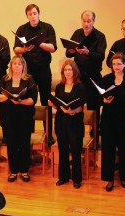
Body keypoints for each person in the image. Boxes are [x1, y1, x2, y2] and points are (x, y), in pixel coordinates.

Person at [13, 4, 57, 146]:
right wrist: (25, 49)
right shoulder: (22, 29)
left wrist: (40, 43)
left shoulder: (47, 28)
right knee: (27, 101)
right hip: (28, 71)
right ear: (27, 15)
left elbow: (53, 48)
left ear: (38, 14)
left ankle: (49, 134)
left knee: (46, 102)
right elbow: (16, 50)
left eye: (34, 13)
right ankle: (28, 133)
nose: (32, 16)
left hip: (43, 69)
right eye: (30, 14)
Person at [66, 10, 107, 139]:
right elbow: (68, 54)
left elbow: (101, 56)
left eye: (89, 21)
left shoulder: (99, 36)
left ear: (93, 21)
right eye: (84, 21)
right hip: (78, 76)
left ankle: (94, 135)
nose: (86, 24)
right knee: (76, 104)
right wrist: (71, 50)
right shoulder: (77, 33)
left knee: (93, 106)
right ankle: (77, 133)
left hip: (93, 75)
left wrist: (88, 53)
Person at [0, 56, 38, 182]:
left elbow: (33, 100)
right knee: (12, 143)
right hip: (9, 117)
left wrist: (20, 101)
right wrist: (9, 97)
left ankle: (24, 171)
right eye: (14, 64)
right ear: (11, 66)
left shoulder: (29, 80)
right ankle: (13, 171)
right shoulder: (5, 79)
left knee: (24, 143)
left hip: (25, 116)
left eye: (19, 64)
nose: (17, 66)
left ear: (23, 66)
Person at [101, 53, 125, 192]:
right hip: (108, 120)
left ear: (124, 65)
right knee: (108, 151)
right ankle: (109, 179)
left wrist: (117, 99)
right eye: (114, 64)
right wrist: (104, 101)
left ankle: (123, 177)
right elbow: (99, 98)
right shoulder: (106, 79)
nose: (116, 66)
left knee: (123, 151)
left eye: (119, 64)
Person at [48, 59, 86, 189]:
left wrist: (72, 111)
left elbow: (82, 107)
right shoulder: (59, 86)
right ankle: (63, 177)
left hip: (75, 122)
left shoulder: (80, 86)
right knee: (63, 150)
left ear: (74, 71)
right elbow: (58, 105)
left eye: (70, 69)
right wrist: (53, 104)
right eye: (65, 70)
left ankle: (76, 179)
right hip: (61, 122)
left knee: (75, 151)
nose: (68, 72)